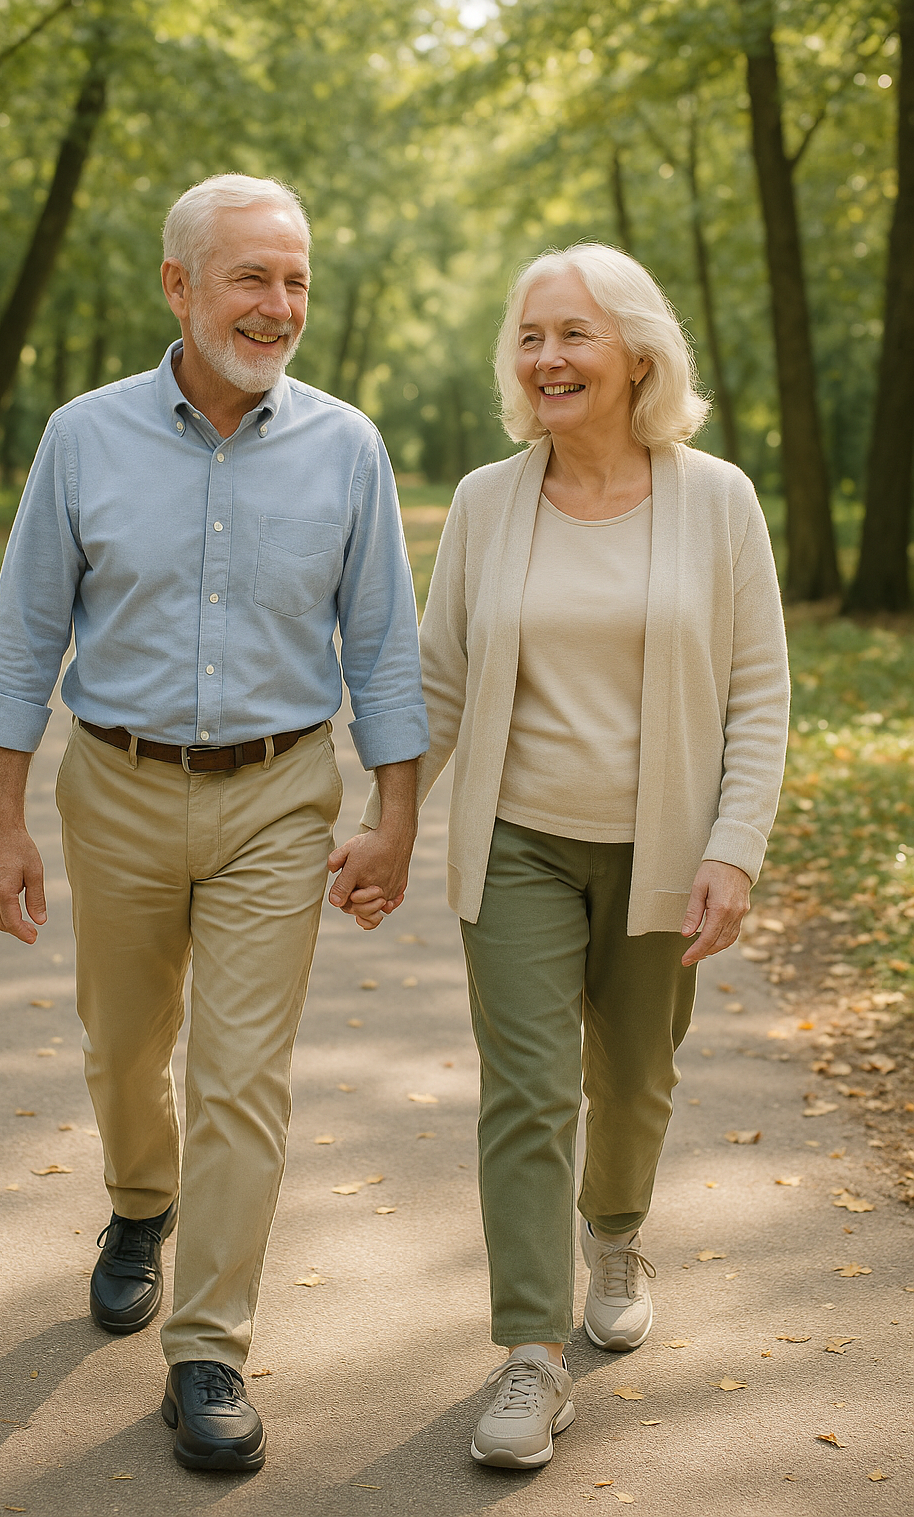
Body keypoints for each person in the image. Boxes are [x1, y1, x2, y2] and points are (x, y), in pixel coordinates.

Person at [0, 173, 427, 1472]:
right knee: (124, 1045)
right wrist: (0, 826)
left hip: (280, 796)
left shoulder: (349, 447)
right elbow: (21, 642)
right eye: (251, 278)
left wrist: (394, 819)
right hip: (112, 786)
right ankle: (136, 1206)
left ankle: (210, 1347)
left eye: (295, 280)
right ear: (179, 285)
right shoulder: (82, 437)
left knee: (242, 1076)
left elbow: (388, 654)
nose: (279, 306)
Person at [364, 242, 789, 1468]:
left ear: (637, 355)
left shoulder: (717, 500)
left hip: (662, 851)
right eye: (531, 337)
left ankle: (616, 1230)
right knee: (530, 1091)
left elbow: (758, 696)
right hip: (517, 845)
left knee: (636, 1081)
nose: (546, 357)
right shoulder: (490, 502)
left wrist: (735, 847)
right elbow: (436, 681)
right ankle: (529, 1356)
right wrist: (393, 820)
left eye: (574, 335)